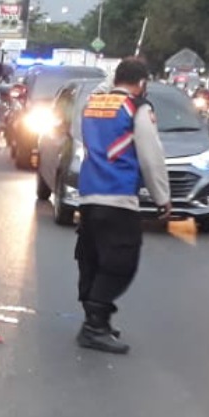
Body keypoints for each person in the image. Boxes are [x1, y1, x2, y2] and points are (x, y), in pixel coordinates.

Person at [73, 58, 170, 355]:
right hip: (119, 197)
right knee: (120, 263)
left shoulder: (92, 104)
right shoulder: (137, 109)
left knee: (92, 259)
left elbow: (101, 95)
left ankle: (95, 321)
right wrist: (162, 196)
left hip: (89, 195)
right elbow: (151, 156)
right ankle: (94, 327)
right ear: (142, 84)